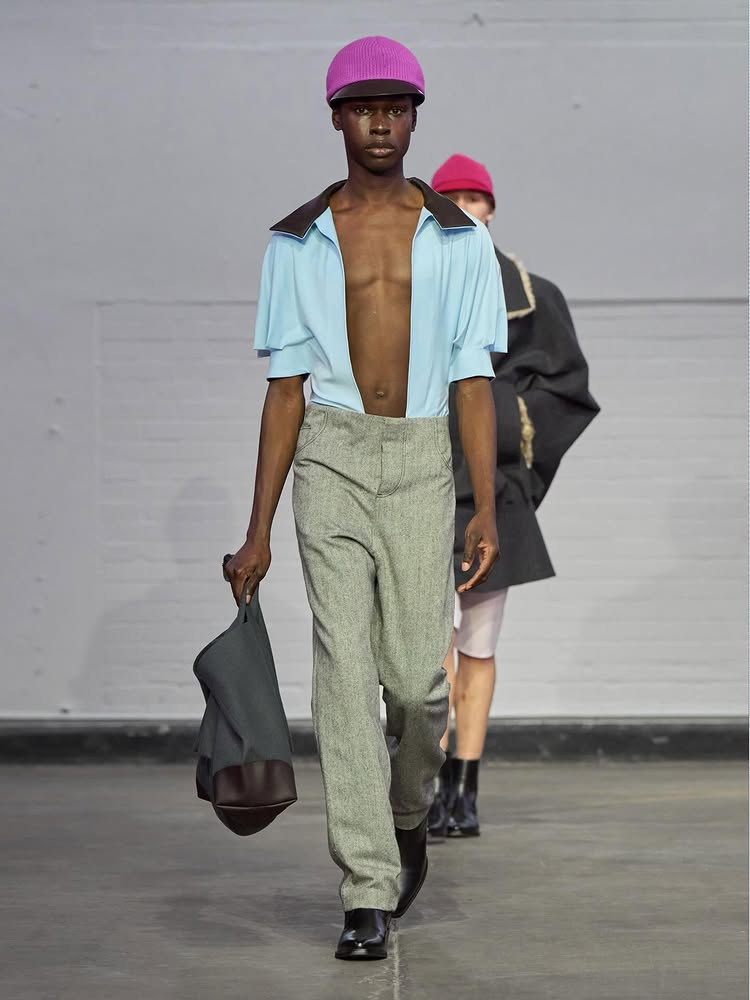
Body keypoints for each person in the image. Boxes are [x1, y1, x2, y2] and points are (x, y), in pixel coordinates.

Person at [224, 43, 507, 960]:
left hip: (422, 456)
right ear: (337, 118)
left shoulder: (461, 240)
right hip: (332, 456)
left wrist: (484, 505)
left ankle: (406, 810)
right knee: (344, 675)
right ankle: (366, 890)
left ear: (414, 117)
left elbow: (473, 378)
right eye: (362, 107)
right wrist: (258, 530)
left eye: (396, 107)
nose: (380, 121)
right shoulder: (296, 240)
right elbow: (285, 390)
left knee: (418, 685)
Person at [426, 154, 600, 840]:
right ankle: (427, 782)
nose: (465, 207)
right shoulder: (403, 287)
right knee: (427, 653)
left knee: (477, 646)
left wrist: (499, 426)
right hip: (421, 487)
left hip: (491, 492)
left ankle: (463, 787)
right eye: (450, 197)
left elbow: (566, 391)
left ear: (491, 208)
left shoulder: (533, 297)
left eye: (474, 197)